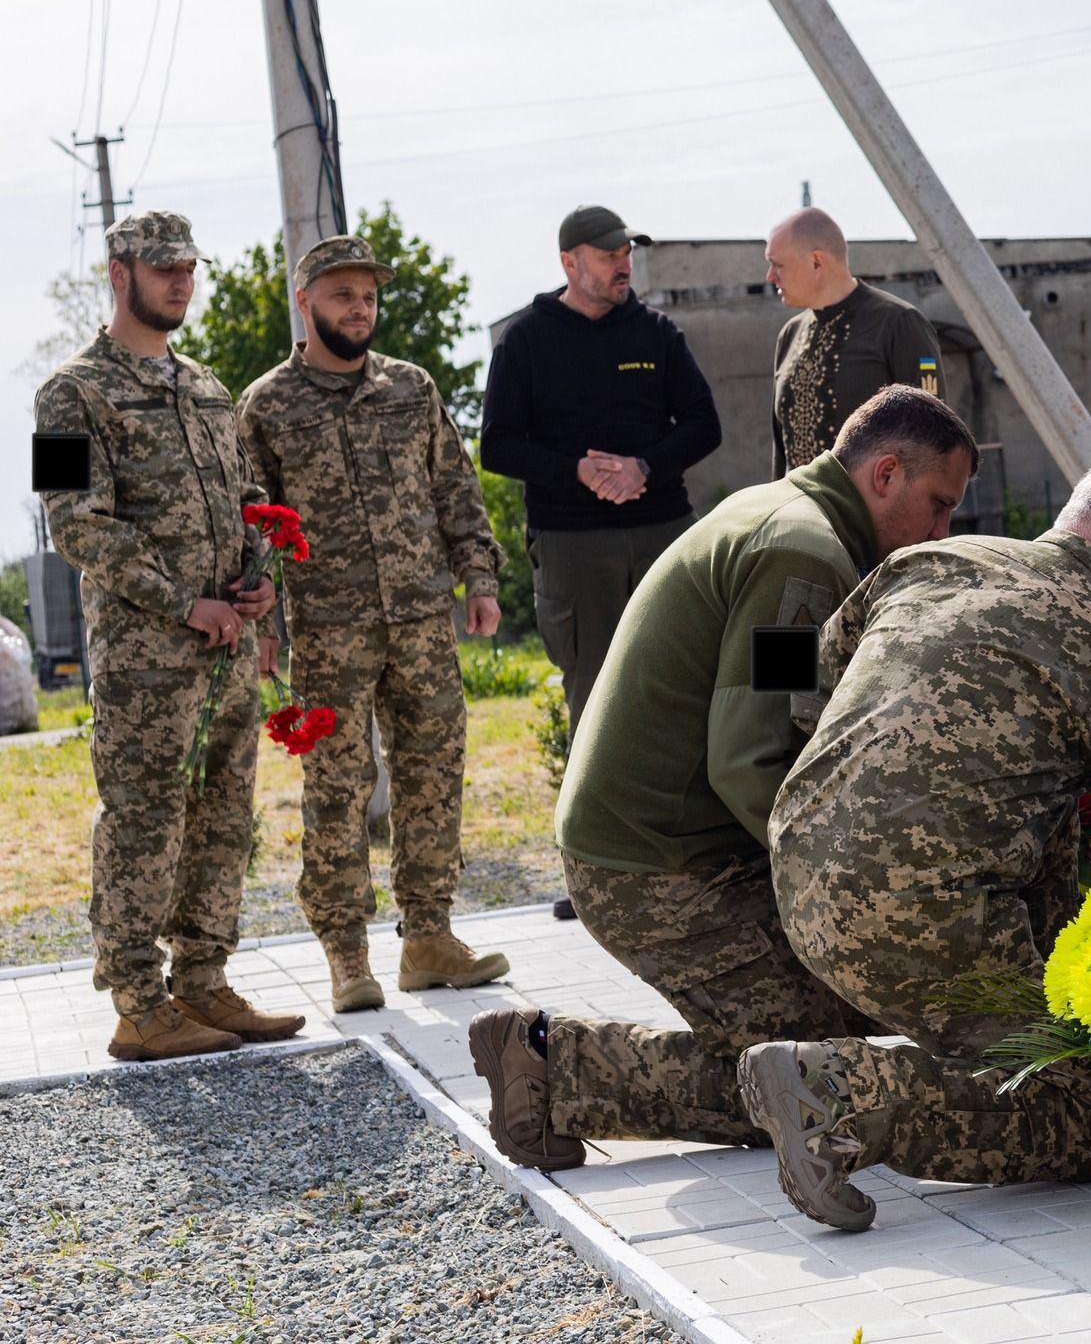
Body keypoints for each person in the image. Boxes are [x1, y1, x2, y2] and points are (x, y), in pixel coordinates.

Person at [465, 387, 978, 1173]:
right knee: (813, 1075)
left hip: (668, 843)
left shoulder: (792, 516)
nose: (942, 531)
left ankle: (554, 1063)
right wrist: (848, 891)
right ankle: (554, 1067)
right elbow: (752, 761)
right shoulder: (804, 555)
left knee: (847, 1016)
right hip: (654, 867)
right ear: (884, 475)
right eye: (938, 505)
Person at [741, 454, 1091, 1231]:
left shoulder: (938, 557)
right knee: (1084, 1125)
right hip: (916, 905)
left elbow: (806, 676)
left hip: (795, 864)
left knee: (1049, 796)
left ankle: (1035, 1075)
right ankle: (837, 1089)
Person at [34, 211, 305, 1061]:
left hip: (223, 656)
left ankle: (203, 982)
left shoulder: (207, 387)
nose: (180, 282)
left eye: (188, 266)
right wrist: (184, 601)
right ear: (120, 274)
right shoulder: (67, 392)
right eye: (162, 269)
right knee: (144, 822)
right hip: (146, 665)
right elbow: (72, 524)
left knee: (223, 819)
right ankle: (138, 1004)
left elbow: (244, 498)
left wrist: (259, 574)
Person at [238, 235, 510, 1013]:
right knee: (337, 786)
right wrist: (265, 626)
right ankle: (347, 953)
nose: (360, 309)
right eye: (342, 296)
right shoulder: (267, 406)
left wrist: (478, 576)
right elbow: (252, 526)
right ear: (306, 302)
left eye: (368, 296)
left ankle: (429, 937)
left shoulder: (412, 389)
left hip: (422, 616)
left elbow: (455, 487)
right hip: (329, 628)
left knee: (433, 773)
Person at [481, 204, 723, 920]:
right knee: (591, 695)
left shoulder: (656, 334)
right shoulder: (527, 341)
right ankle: (594, 875)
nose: (624, 262)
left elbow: (704, 424)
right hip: (572, 543)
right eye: (610, 252)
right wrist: (575, 472)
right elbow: (498, 446)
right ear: (570, 262)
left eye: (628, 252)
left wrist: (644, 464)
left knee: (684, 681)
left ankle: (690, 852)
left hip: (661, 532)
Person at [766, 207, 946, 477]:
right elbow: (781, 450)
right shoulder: (790, 334)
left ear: (817, 262)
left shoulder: (899, 323)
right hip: (801, 514)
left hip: (873, 517)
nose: (770, 276)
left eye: (777, 264)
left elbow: (931, 438)